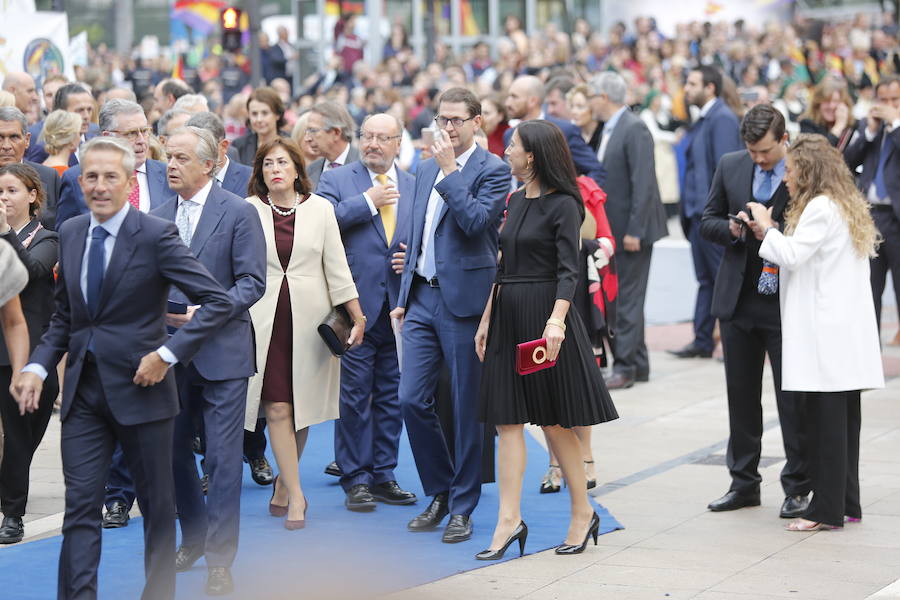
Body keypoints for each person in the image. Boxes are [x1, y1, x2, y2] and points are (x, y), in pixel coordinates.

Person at [13, 136, 233, 600]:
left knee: (157, 511)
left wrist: (168, 355)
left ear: (129, 182)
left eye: (110, 176)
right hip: (84, 397)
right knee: (80, 512)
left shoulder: (155, 235)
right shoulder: (71, 232)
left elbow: (216, 301)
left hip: (144, 394)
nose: (98, 185)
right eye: (90, 176)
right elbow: (65, 318)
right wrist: (36, 365)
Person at [475, 120, 618, 559]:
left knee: (555, 422)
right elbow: (503, 267)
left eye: (513, 146)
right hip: (509, 313)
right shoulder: (514, 201)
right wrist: (486, 320)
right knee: (508, 420)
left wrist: (555, 321)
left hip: (546, 317)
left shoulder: (566, 204)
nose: (507, 152)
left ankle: (581, 512)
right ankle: (508, 519)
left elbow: (569, 271)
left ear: (532, 155)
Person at [390, 87, 510, 543]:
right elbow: (417, 232)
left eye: (458, 120)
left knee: (465, 406)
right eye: (443, 119)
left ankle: (463, 503)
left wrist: (448, 170)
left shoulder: (493, 170)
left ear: (478, 121)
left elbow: (476, 223)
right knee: (410, 399)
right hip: (422, 297)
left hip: (465, 302)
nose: (448, 128)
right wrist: (404, 291)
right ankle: (439, 490)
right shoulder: (422, 169)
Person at [748, 133, 884, 531]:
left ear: (807, 171)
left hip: (826, 332)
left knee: (825, 425)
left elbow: (792, 254)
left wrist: (765, 226)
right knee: (844, 423)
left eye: (790, 169)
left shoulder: (821, 207)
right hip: (842, 330)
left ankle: (824, 510)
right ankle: (847, 502)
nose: (785, 177)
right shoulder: (843, 202)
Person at [151, 126, 266, 594]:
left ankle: (221, 557)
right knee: (173, 454)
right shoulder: (157, 216)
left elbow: (252, 281)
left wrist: (208, 312)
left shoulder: (238, 212)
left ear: (208, 164)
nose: (171, 166)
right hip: (170, 353)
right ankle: (194, 537)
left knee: (221, 460)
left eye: (180, 158)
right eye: (168, 159)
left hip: (222, 351)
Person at [244, 138, 364, 529]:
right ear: (260, 174)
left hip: (311, 323)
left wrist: (356, 315)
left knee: (303, 410)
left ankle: (284, 483)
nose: (275, 169)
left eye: (282, 162)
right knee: (276, 406)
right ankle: (297, 496)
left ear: (298, 169)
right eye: (267, 164)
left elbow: (337, 267)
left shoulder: (321, 209)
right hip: (265, 321)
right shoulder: (247, 211)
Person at [699, 104, 811, 518]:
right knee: (741, 398)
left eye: (765, 151)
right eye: (752, 151)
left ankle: (799, 485)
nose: (758, 159)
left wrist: (774, 232)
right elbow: (705, 220)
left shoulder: (803, 169)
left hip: (785, 301)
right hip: (738, 299)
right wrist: (730, 229)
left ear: (784, 140)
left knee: (793, 400)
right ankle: (743, 483)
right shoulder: (731, 165)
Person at [316, 113, 417, 511]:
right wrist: (365, 203)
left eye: (382, 138)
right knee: (355, 396)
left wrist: (413, 258)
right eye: (368, 136)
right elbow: (321, 225)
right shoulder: (338, 181)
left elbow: (425, 236)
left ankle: (384, 473)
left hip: (399, 309)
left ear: (398, 142)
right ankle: (355, 476)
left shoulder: (413, 184)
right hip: (354, 308)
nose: (373, 144)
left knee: (393, 395)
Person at [589, 72, 668, 389]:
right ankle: (639, 364)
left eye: (593, 95)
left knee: (626, 302)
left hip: (632, 231)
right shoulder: (610, 128)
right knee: (626, 300)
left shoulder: (633, 128)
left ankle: (624, 367)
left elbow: (644, 183)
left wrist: (634, 230)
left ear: (604, 97)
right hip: (618, 229)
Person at [0, 164, 59, 544]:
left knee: (21, 436)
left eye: (11, 191)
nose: (3, 198)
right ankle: (11, 504)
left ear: (32, 196)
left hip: (29, 349)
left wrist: (6, 233)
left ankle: (12, 512)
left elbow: (31, 270)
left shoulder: (48, 237)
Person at [669, 66, 742, 360]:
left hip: (713, 218)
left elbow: (724, 171)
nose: (686, 88)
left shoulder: (722, 119)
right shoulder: (703, 120)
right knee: (706, 280)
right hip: (697, 215)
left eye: (692, 83)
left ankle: (731, 342)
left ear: (710, 87)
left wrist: (719, 217)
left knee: (721, 279)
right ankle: (702, 340)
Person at [844, 75, 900, 343]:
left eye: (895, 100)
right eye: (884, 100)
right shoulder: (871, 128)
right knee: (868, 290)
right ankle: (869, 351)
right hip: (871, 218)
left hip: (897, 219)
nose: (889, 105)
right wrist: (871, 132)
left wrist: (896, 124)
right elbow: (847, 161)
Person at [57, 99, 172, 230]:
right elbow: (65, 235)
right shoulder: (75, 177)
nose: (141, 140)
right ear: (107, 136)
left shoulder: (167, 174)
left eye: (145, 131)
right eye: (131, 133)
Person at [504, 75, 606, 186]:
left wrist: (574, 197)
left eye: (514, 97)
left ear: (532, 101)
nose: (508, 103)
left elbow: (596, 171)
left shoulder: (563, 130)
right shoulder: (509, 134)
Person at [0, 107, 61, 231]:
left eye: (14, 137)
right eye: (0, 137)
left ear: (27, 140)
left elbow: (59, 226)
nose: (6, 146)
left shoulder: (49, 177)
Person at [26, 83, 98, 165]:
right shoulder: (45, 149)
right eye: (80, 110)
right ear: (61, 112)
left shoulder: (97, 139)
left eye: (89, 110)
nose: (86, 116)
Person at [304, 101, 359, 190]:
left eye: (313, 131)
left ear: (336, 133)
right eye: (307, 131)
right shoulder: (310, 171)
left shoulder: (366, 165)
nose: (307, 139)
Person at [229, 87, 289, 166]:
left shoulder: (290, 143)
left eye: (265, 113)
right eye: (254, 114)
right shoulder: (239, 146)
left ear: (277, 114)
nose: (259, 119)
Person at [799, 76, 857, 150]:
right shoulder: (807, 124)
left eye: (836, 101)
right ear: (818, 103)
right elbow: (816, 155)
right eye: (827, 101)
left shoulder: (853, 125)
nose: (831, 106)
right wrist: (838, 127)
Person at [39, 110, 82, 175]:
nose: (80, 138)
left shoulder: (41, 168)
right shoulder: (66, 175)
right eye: (79, 133)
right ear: (71, 140)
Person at [566, 84, 601, 151]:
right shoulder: (573, 134)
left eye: (580, 107)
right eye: (572, 106)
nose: (574, 111)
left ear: (593, 108)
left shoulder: (604, 134)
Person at [480, 94, 509, 159]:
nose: (481, 117)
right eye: (479, 112)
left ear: (500, 116)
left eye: (486, 113)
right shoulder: (474, 132)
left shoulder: (510, 135)